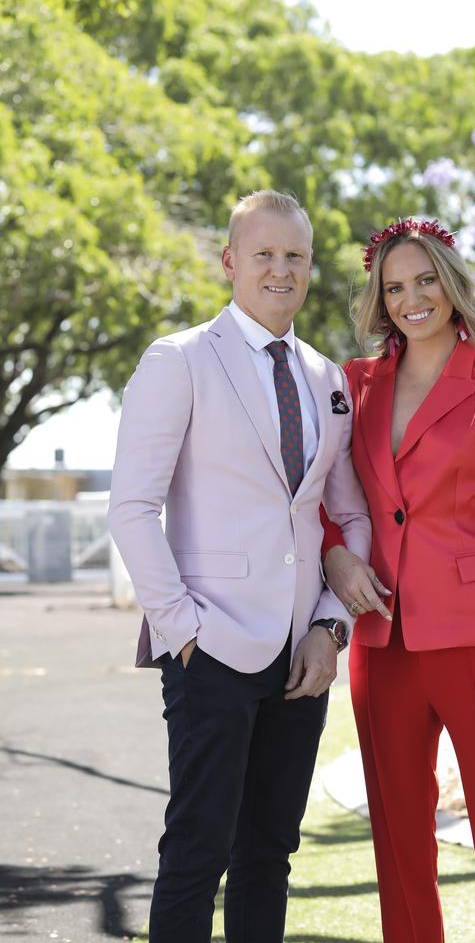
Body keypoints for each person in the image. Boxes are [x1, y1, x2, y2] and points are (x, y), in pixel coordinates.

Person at [108, 190, 379, 943]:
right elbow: (132, 508)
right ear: (231, 261)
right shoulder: (179, 359)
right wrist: (182, 630)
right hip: (211, 648)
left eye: (295, 255)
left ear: (311, 265)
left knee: (271, 855)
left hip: (301, 656)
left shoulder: (328, 379)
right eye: (264, 254)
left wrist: (330, 626)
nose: (280, 270)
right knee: (197, 852)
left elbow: (348, 516)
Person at [323, 218, 475, 942]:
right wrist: (336, 554)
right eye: (394, 287)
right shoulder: (354, 385)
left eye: (425, 280)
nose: (410, 299)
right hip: (379, 642)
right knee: (399, 853)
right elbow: (322, 499)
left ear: (452, 284)